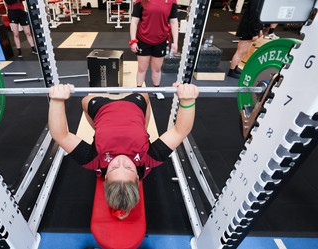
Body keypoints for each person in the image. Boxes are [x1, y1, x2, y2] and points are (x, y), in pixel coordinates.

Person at [48, 83, 199, 219]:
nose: (121, 161)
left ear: (106, 176)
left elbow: (61, 136)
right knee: (144, 94)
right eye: (128, 167)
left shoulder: (93, 160)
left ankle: (98, 127)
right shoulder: (150, 158)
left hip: (101, 108)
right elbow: (180, 131)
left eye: (114, 167)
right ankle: (141, 127)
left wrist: (57, 101)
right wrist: (187, 101)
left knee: (86, 100)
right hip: (135, 105)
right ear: (137, 176)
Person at [130, 0, 179, 100]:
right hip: (143, 39)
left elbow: (174, 22)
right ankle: (138, 90)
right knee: (142, 68)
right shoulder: (141, 1)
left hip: (161, 40)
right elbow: (134, 22)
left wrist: (176, 42)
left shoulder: (171, 2)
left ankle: (156, 89)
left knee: (157, 69)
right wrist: (133, 41)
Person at [227, 0, 263, 79]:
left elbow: (259, 16)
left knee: (245, 51)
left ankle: (235, 68)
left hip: (251, 27)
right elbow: (254, 15)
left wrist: (260, 29)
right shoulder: (256, 2)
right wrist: (254, 33)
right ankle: (231, 71)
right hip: (247, 28)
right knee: (240, 51)